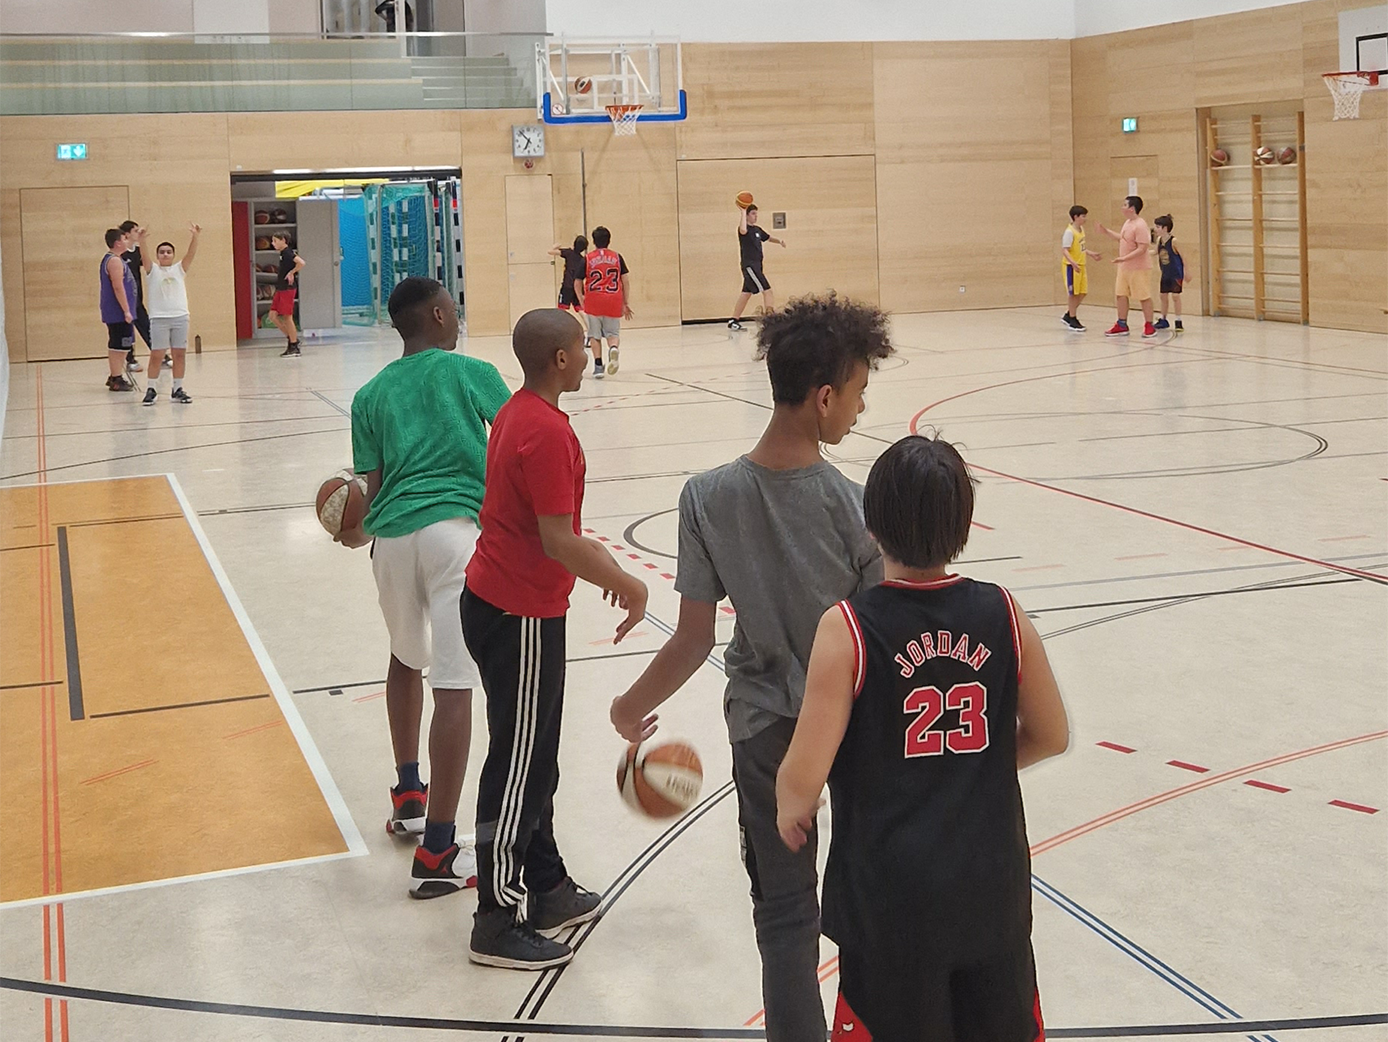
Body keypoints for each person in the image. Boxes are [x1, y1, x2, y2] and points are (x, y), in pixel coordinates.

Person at [610, 293, 893, 1040]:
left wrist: (627, 705)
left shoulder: (705, 497)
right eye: (859, 392)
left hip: (765, 732)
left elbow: (692, 638)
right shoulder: (857, 507)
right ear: (825, 397)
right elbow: (880, 640)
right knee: (872, 896)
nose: (861, 409)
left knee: (784, 912)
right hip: (854, 731)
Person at [776, 434, 1070, 1041]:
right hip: (991, 893)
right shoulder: (1004, 611)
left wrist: (789, 808)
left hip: (891, 903)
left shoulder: (848, 627)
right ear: (963, 525)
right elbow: (1052, 734)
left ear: (872, 525)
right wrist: (971, 767)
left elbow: (802, 780)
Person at [463, 308, 648, 969]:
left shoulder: (520, 413)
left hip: (509, 604)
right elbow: (558, 540)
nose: (588, 354)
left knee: (534, 758)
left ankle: (544, 886)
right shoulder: (542, 431)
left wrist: (601, 567)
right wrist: (627, 583)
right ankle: (497, 918)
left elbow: (553, 533)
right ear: (562, 359)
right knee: (517, 768)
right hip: (518, 613)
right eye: (580, 347)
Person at [336, 277, 512, 899]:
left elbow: (372, 488)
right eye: (454, 309)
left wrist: (353, 530)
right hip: (454, 539)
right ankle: (438, 850)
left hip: (391, 543)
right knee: (455, 687)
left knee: (405, 658)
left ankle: (409, 792)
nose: (457, 318)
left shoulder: (369, 395)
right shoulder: (472, 372)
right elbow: (516, 443)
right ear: (438, 314)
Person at [139, 225, 200, 405]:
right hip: (159, 319)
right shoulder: (152, 270)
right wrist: (142, 240)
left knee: (179, 354)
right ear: (157, 256)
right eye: (162, 252)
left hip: (180, 317)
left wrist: (195, 236)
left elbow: (191, 254)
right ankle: (151, 389)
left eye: (168, 252)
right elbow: (144, 255)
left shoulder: (179, 269)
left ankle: (177, 388)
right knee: (157, 355)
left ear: (173, 255)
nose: (165, 254)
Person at [1096, 196, 1156, 339]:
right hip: (1124, 267)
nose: (1122, 207)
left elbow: (1142, 248)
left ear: (1132, 208)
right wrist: (1106, 232)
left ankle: (1149, 325)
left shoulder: (1140, 225)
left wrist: (1124, 258)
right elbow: (1123, 239)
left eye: (1124, 205)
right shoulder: (1128, 223)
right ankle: (1122, 324)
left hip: (1139, 268)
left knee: (1143, 296)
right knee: (1121, 294)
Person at [581, 226, 631, 379]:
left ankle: (598, 366)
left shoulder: (587, 258)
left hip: (593, 300)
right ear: (609, 240)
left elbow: (577, 281)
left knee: (594, 335)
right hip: (613, 299)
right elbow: (625, 280)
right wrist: (625, 302)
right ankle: (613, 348)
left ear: (593, 241)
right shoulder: (617, 257)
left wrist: (581, 299)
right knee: (613, 333)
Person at [728, 204, 786, 332]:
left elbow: (768, 238)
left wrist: (779, 241)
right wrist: (743, 212)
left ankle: (733, 320)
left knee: (746, 293)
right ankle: (770, 320)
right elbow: (743, 229)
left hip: (757, 266)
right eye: (753, 213)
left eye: (756, 214)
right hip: (750, 266)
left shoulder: (757, 230)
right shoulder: (744, 230)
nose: (756, 216)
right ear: (747, 215)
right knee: (767, 291)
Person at [99, 228, 138, 392]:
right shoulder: (114, 261)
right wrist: (126, 310)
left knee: (122, 344)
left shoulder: (116, 259)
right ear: (117, 243)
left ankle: (115, 375)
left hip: (119, 311)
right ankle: (116, 378)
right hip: (117, 312)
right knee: (119, 344)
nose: (127, 241)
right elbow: (117, 286)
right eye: (125, 239)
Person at [118, 218, 155, 372]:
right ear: (126, 234)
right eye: (135, 230)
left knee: (146, 326)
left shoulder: (137, 251)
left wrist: (143, 241)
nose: (137, 232)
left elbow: (147, 265)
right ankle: (130, 359)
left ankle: (159, 354)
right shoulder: (120, 253)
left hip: (137, 298)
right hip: (125, 299)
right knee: (127, 330)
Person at [1060, 205, 1102, 332]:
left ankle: (1068, 314)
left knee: (1083, 292)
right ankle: (1072, 319)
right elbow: (1065, 250)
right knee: (1073, 294)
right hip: (1071, 266)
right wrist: (1073, 263)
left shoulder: (1081, 230)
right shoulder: (1069, 232)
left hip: (1081, 265)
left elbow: (1080, 247)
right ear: (1075, 217)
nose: (1085, 219)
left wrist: (1091, 254)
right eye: (1083, 216)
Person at [271, 233, 306, 357]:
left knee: (287, 317)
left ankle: (294, 345)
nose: (273, 243)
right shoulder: (283, 253)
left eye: (275, 241)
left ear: (283, 240)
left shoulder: (287, 252)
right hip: (280, 288)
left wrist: (292, 272)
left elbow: (301, 262)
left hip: (287, 288)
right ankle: (292, 339)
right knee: (272, 316)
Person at [1152, 214, 1184, 332]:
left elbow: (1183, 257)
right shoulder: (1159, 240)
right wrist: (1142, 252)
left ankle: (1178, 321)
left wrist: (1187, 272)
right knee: (1163, 296)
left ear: (1165, 228)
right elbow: (1155, 252)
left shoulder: (1174, 241)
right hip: (1165, 273)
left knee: (1175, 296)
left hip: (1176, 273)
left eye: (1158, 227)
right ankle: (1163, 319)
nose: (1155, 229)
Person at [548, 235, 587, 314]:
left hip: (567, 286)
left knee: (562, 309)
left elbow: (550, 251)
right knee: (581, 309)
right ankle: (588, 322)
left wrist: (556, 246)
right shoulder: (582, 259)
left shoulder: (569, 253)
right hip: (578, 287)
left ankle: (560, 322)